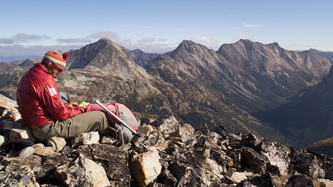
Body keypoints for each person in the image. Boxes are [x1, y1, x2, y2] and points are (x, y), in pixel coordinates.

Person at [16, 50, 110, 142]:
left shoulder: (31, 73)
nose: (58, 73)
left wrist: (67, 106)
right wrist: (82, 109)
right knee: (99, 117)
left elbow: (44, 105)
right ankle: (113, 141)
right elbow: (61, 114)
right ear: (49, 64)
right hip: (45, 129)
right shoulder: (46, 80)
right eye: (58, 69)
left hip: (33, 124)